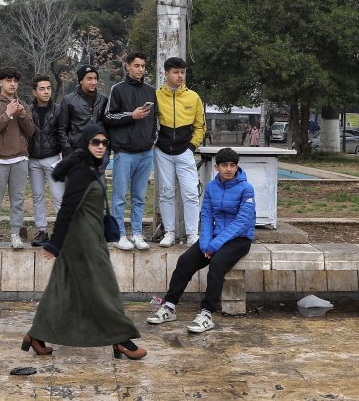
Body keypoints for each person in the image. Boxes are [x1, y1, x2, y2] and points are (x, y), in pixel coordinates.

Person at [22, 124, 147, 360]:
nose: (101, 147)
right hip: (81, 241)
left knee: (62, 290)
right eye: (95, 142)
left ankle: (36, 334)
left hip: (90, 237)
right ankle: (121, 340)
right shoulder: (81, 171)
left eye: (104, 143)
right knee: (104, 289)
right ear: (85, 144)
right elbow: (67, 208)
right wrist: (55, 244)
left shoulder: (90, 167)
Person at [146, 147, 255, 333]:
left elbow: (242, 222)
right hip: (213, 238)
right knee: (185, 261)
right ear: (216, 167)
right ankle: (170, 306)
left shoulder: (246, 188)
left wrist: (214, 245)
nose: (228, 169)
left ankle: (206, 314)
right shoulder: (212, 187)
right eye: (224, 165)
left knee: (217, 265)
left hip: (239, 239)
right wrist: (205, 243)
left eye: (232, 165)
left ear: (237, 167)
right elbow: (206, 216)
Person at [104, 51, 157, 251]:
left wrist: (153, 140)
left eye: (143, 66)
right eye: (136, 65)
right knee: (119, 197)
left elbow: (156, 120)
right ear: (127, 66)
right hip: (124, 153)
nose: (140, 69)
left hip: (146, 153)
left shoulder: (151, 91)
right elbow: (108, 117)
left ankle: (136, 233)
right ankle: (119, 235)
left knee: (139, 196)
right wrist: (131, 115)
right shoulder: (117, 89)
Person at [155, 56, 206, 247]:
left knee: (191, 192)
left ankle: (192, 233)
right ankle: (169, 232)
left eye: (182, 72)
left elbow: (201, 126)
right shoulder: (156, 96)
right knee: (166, 192)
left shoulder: (193, 97)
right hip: (162, 151)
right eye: (175, 72)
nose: (180, 76)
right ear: (166, 73)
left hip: (185, 151)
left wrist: (192, 146)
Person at [0, 67, 35, 249]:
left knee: (18, 200)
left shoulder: (24, 105)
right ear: (0, 83)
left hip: (19, 158)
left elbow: (30, 131)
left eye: (15, 81)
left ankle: (15, 234)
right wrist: (7, 113)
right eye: (8, 80)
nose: (12, 84)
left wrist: (21, 115)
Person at [28, 74, 67, 247]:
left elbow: (63, 132)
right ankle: (42, 231)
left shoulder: (59, 110)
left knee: (59, 197)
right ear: (34, 92)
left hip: (53, 158)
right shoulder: (28, 110)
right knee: (37, 196)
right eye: (42, 89)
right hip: (33, 159)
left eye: (48, 88)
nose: (46, 92)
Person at [59, 64, 108, 156]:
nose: (94, 82)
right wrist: (68, 149)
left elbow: (106, 126)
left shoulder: (103, 99)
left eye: (95, 78)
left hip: (97, 152)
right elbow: (62, 129)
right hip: (75, 151)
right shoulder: (68, 100)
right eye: (89, 79)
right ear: (81, 80)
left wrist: (106, 151)